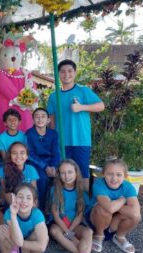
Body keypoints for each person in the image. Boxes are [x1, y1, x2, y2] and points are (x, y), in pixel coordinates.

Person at [47, 59, 104, 188]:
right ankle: (64, 201)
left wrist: (82, 107)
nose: (66, 74)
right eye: (62, 71)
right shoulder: (53, 96)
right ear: (58, 74)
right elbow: (52, 119)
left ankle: (83, 204)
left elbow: (101, 106)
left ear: (75, 73)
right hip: (62, 142)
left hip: (81, 140)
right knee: (63, 172)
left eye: (70, 71)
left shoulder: (83, 91)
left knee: (82, 173)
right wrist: (53, 140)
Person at [49, 160, 107, 253]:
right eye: (63, 173)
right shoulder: (55, 190)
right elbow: (55, 215)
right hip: (60, 224)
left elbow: (79, 215)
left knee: (88, 231)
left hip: (74, 224)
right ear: (59, 174)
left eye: (70, 172)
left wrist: (71, 231)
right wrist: (67, 232)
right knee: (53, 231)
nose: (67, 176)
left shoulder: (80, 190)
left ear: (76, 173)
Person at [86, 159, 141, 253]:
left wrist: (113, 205)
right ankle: (99, 235)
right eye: (109, 174)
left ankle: (119, 236)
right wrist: (123, 199)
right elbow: (110, 208)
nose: (114, 178)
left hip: (114, 222)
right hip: (96, 219)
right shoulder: (99, 184)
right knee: (103, 209)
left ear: (125, 176)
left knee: (136, 217)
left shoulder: (128, 187)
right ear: (103, 174)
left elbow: (135, 213)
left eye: (119, 175)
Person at [0, 183, 49, 253]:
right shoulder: (10, 212)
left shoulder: (37, 214)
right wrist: (13, 214)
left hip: (26, 243)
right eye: (20, 197)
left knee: (44, 237)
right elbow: (17, 240)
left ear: (34, 202)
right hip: (12, 241)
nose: (24, 200)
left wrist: (22, 245)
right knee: (0, 231)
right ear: (14, 198)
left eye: (28, 198)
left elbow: (42, 246)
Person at [26, 108, 60, 211]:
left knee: (63, 176)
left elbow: (56, 153)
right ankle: (40, 210)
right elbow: (30, 153)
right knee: (41, 178)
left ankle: (57, 211)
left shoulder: (53, 134)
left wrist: (53, 167)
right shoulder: (29, 133)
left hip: (51, 163)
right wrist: (45, 167)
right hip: (36, 163)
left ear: (48, 120)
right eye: (37, 116)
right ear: (33, 120)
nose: (40, 119)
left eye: (43, 116)